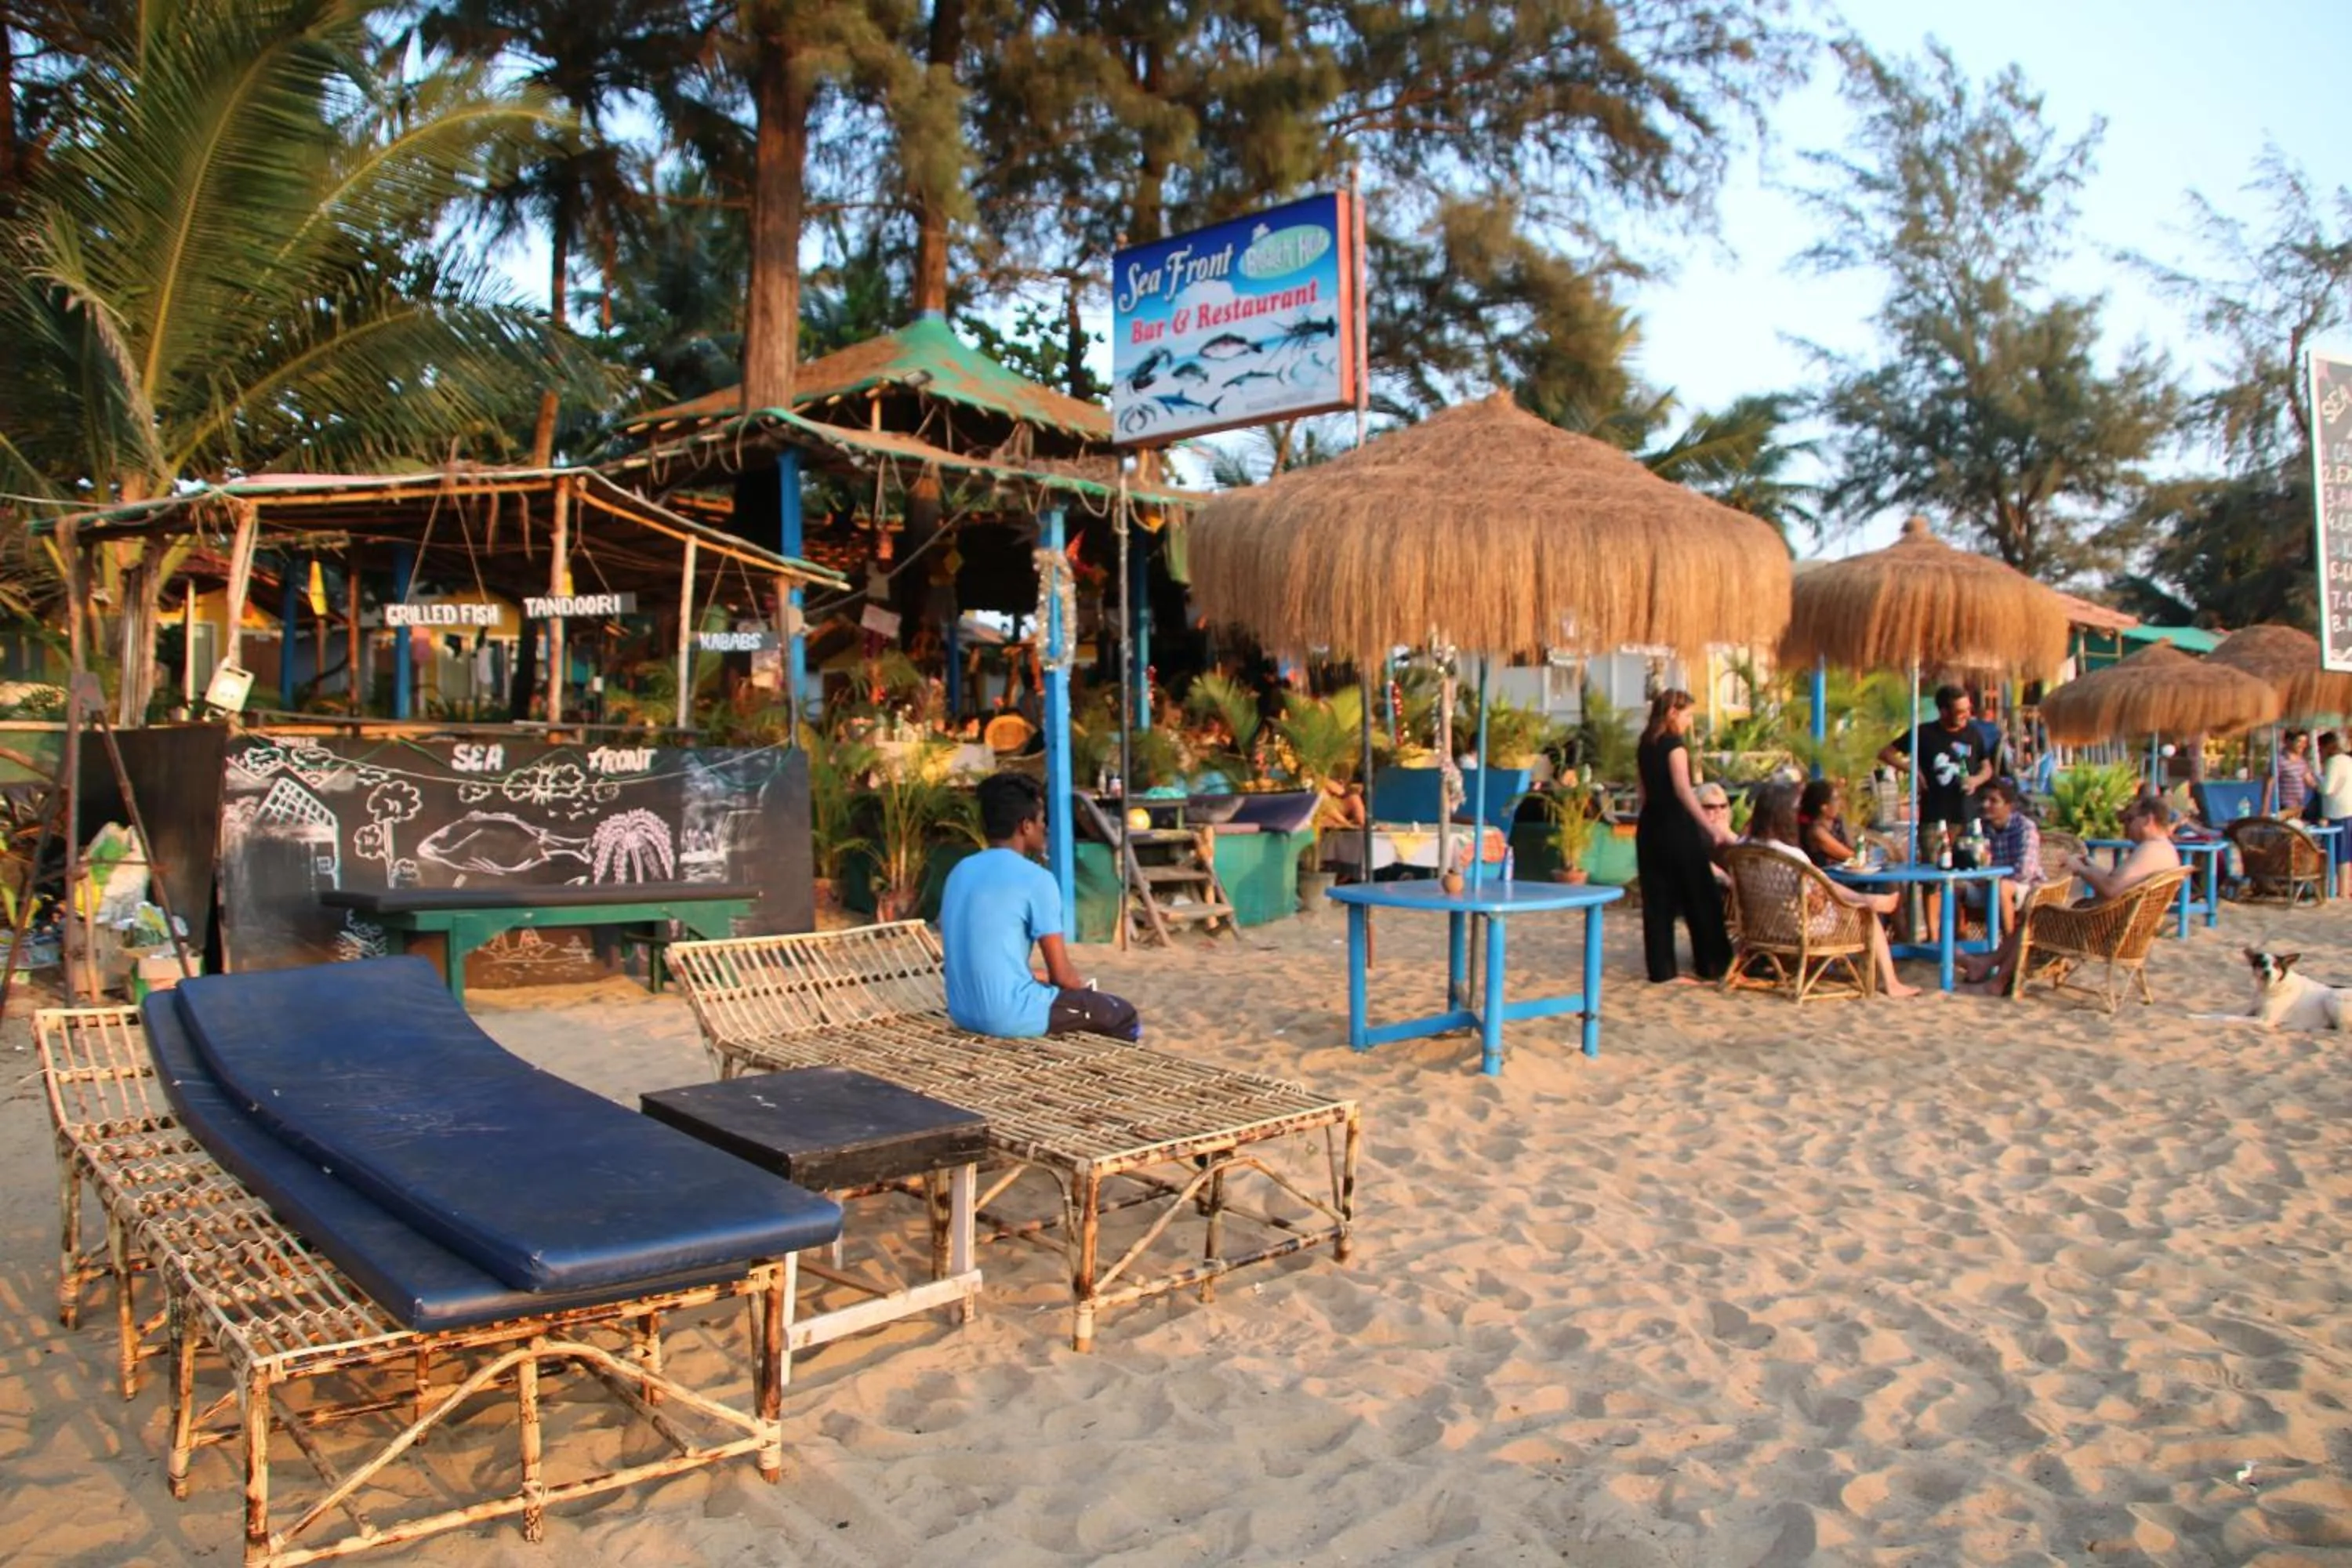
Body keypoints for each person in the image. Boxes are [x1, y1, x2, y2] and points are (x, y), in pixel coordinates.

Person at [939, 772, 1142, 1040]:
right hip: (1006, 1017)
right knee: (1121, 1013)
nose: (1045, 828)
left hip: (962, 1011)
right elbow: (1063, 976)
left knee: (1057, 994)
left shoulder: (960, 871)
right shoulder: (1036, 879)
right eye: (1042, 820)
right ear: (1025, 826)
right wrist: (1080, 989)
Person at [1962, 794, 2180, 993]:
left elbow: (2111, 889)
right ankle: (1986, 965)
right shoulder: (2163, 850)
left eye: (2130, 819)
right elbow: (2121, 885)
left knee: (2037, 916)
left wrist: (2080, 869)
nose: (2126, 826)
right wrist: (2092, 866)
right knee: (2038, 913)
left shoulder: (2149, 850)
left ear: (2148, 820)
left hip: (2103, 929)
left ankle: (1997, 981)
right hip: (2122, 926)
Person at [1745, 782, 1919, 999]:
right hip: (1799, 927)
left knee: (1835, 888)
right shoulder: (1791, 855)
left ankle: (1867, 898)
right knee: (1867, 915)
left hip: (1759, 926)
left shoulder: (1744, 847)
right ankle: (1892, 983)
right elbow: (1819, 892)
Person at [1635, 689, 1733, 984]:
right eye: (1688, 715)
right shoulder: (1675, 747)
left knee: (1658, 902)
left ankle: (1663, 971)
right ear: (1672, 713)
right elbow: (1684, 791)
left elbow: (1642, 792)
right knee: (1700, 894)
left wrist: (1647, 821)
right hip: (1677, 826)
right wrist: (1709, 826)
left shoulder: (1644, 744)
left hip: (1651, 826)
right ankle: (1712, 964)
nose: (1690, 722)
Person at [1878, 684, 1994, 837]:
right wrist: (1911, 769)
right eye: (1960, 711)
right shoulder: (1924, 733)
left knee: (1969, 859)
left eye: (1969, 709)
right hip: (1934, 818)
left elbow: (1987, 768)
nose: (1967, 715)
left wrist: (1975, 780)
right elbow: (1885, 753)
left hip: (1967, 817)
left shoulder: (1973, 733)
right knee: (1933, 860)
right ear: (1944, 712)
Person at [1969, 780, 2045, 935]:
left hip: (2027, 887)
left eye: (1993, 801)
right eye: (1983, 799)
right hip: (1988, 884)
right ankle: (1957, 944)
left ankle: (2008, 946)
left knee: (2001, 888)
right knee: (1955, 889)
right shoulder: (1980, 828)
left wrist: (1991, 879)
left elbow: (2024, 871)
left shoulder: (2024, 827)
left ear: (2009, 806)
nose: (1985, 804)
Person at [1797, 779, 1857, 869]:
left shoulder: (1837, 821)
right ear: (1824, 807)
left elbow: (1854, 847)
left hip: (1847, 874)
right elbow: (1848, 855)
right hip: (1827, 879)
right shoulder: (1816, 831)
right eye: (1836, 799)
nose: (1840, 803)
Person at [2320, 731, 2352, 893]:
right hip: (2349, 809)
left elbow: (2327, 789)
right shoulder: (2348, 760)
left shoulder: (2333, 762)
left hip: (2338, 811)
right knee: (2346, 853)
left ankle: (2341, 890)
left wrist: (2314, 783)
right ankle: (2344, 890)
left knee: (2340, 853)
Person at [2267, 728, 2317, 818]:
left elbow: (2310, 781)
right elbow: (2269, 784)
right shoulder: (2279, 760)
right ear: (2289, 741)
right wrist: (2265, 808)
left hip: (2299, 808)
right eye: (2299, 742)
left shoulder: (2302, 761)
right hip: (2285, 807)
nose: (2303, 745)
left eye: (2305, 742)